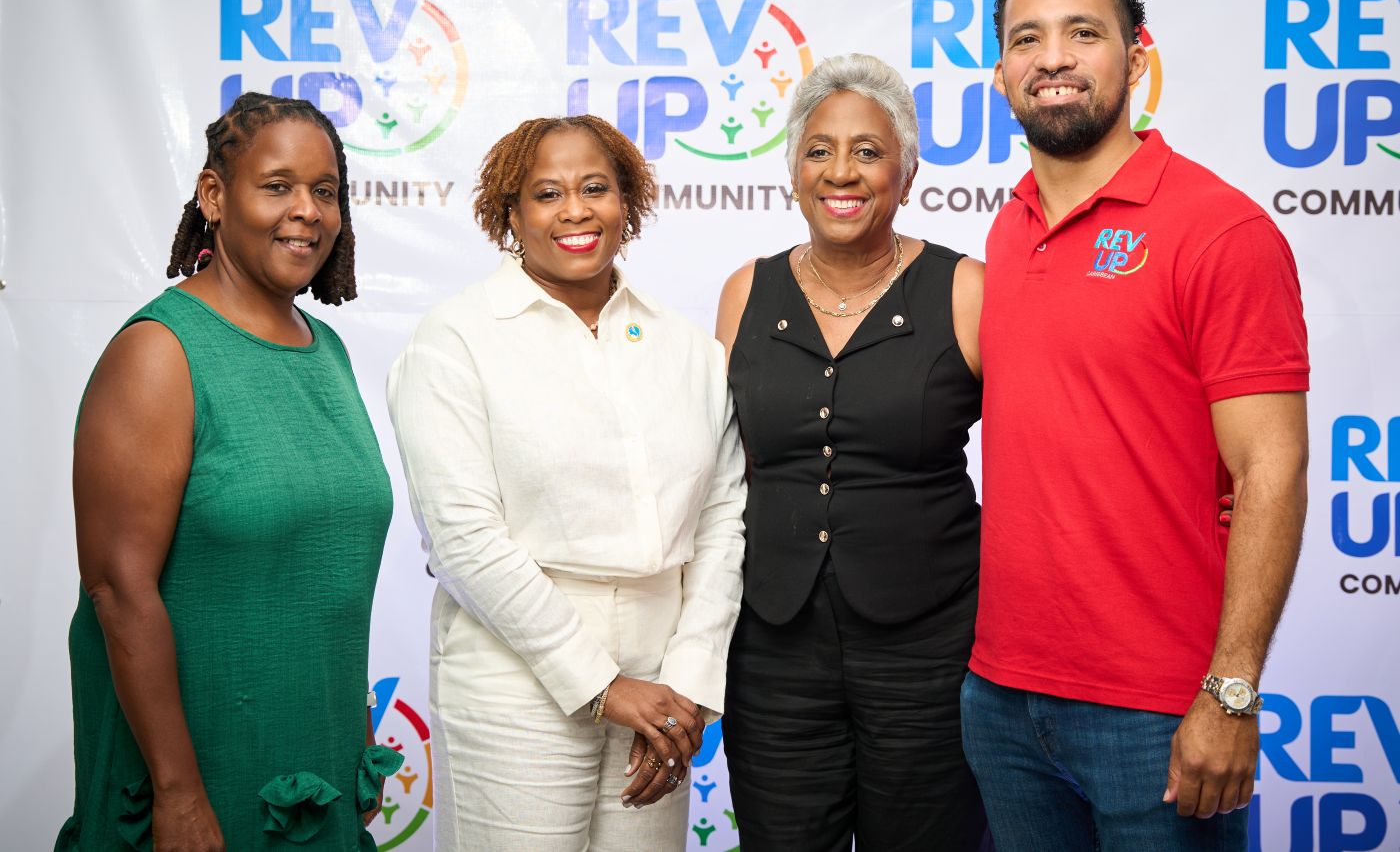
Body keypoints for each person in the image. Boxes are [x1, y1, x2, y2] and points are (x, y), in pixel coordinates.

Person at [961, 0, 1309, 851]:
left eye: (1084, 33)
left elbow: (1271, 469)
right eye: (1027, 40)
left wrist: (1230, 690)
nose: (1055, 60)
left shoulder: (1218, 230)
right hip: (1000, 698)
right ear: (1001, 72)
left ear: (1136, 56)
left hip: (1158, 711)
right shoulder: (1007, 229)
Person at [387, 114, 746, 850]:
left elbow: (723, 515)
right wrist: (604, 685)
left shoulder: (686, 347)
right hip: (513, 676)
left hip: (663, 680)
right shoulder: (455, 339)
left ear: (629, 201)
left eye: (595, 188)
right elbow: (462, 538)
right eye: (547, 193)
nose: (575, 210)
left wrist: (686, 681)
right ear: (509, 214)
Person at [58, 93, 401, 852]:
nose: (306, 211)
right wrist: (178, 795)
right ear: (215, 195)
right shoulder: (159, 353)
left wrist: (352, 728)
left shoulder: (328, 351)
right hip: (200, 764)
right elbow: (118, 589)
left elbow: (322, 568)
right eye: (277, 186)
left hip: (311, 752)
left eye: (324, 190)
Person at [715, 53, 988, 851]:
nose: (842, 170)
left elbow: (1047, 447)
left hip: (931, 647)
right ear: (794, 170)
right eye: (819, 149)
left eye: (868, 151)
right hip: (773, 645)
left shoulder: (966, 288)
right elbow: (722, 468)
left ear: (908, 173)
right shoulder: (745, 289)